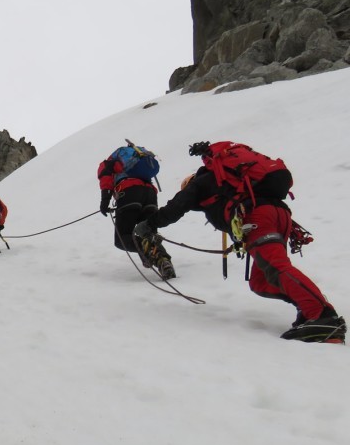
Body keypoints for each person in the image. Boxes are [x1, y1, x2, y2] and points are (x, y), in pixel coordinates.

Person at [135, 141, 345, 344]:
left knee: (276, 267)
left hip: (257, 217)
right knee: (260, 282)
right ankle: (308, 308)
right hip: (277, 216)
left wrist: (149, 225)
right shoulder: (229, 185)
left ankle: (322, 316)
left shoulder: (201, 182)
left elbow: (176, 207)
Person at [97, 139, 175, 279]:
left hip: (128, 192)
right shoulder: (140, 158)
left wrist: (105, 200)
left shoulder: (114, 158)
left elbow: (105, 173)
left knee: (122, 238)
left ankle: (148, 252)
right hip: (150, 194)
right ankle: (164, 261)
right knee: (148, 233)